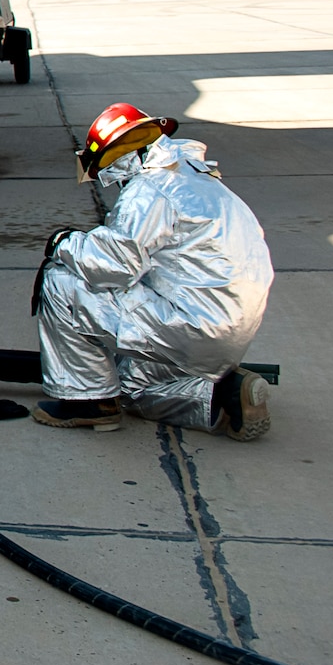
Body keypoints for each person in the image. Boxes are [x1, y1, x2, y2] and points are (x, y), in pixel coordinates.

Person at [31, 103, 274, 438]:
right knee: (132, 384)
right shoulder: (198, 176)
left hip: (193, 326)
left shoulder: (150, 189)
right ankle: (223, 396)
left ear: (117, 158)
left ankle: (88, 402)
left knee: (59, 280)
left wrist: (63, 242)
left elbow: (114, 266)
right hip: (228, 329)